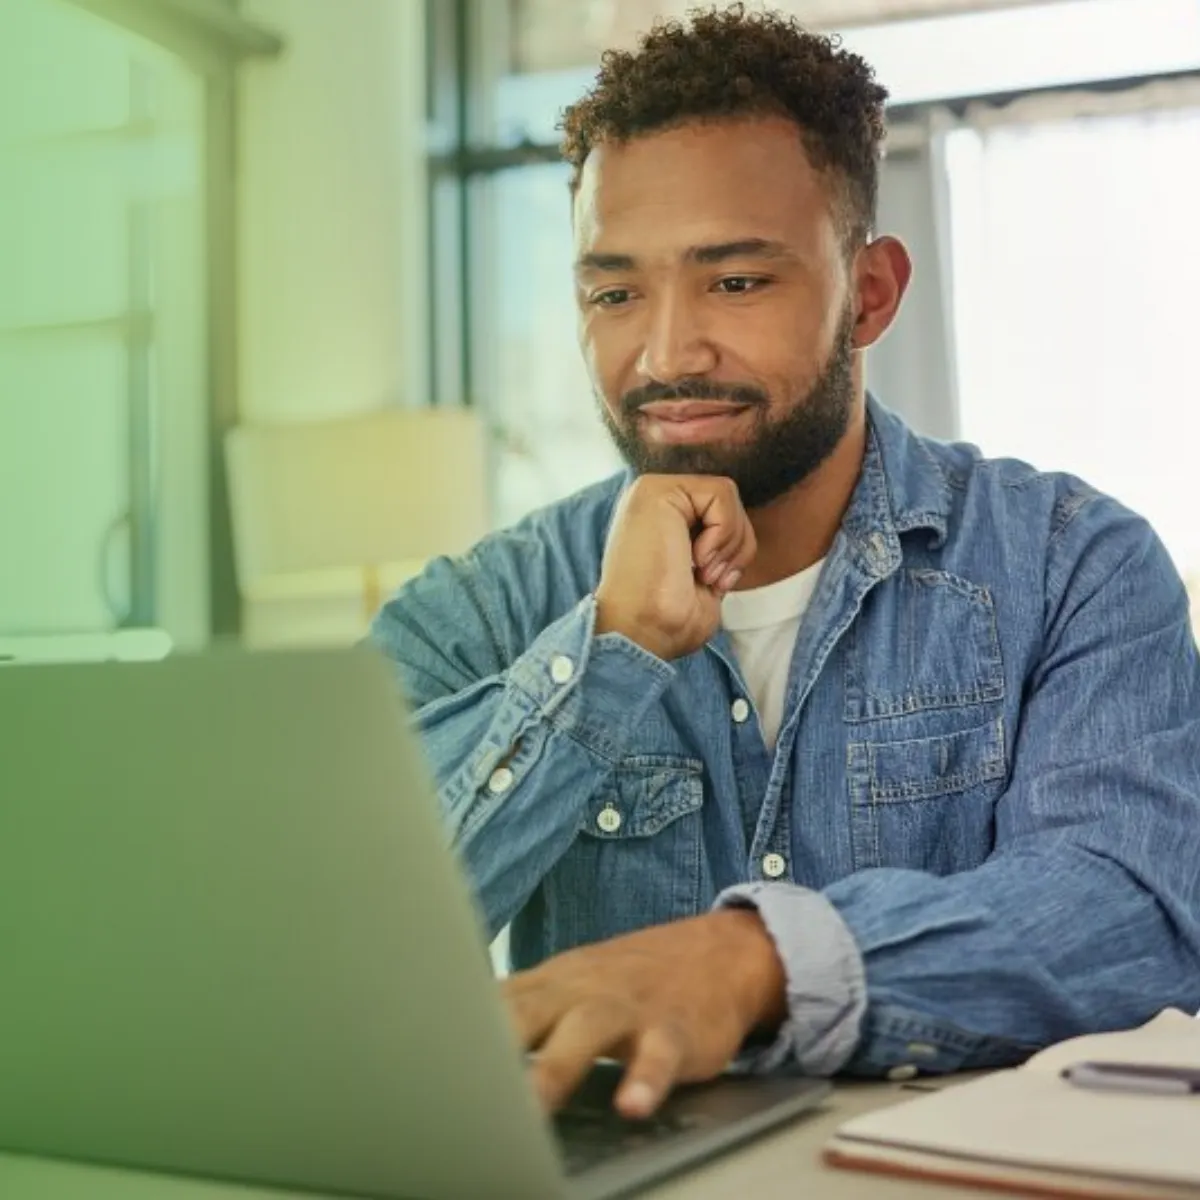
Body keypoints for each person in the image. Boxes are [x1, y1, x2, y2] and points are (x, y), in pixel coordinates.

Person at [371, 3, 1200, 1122]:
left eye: (736, 282)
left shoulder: (1073, 566)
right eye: (614, 293)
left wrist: (754, 963)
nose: (666, 353)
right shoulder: (477, 611)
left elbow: (1129, 914)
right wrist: (604, 654)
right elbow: (331, 949)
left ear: (870, 293)